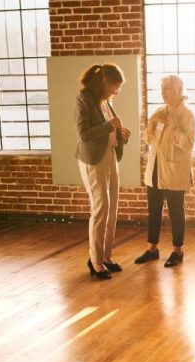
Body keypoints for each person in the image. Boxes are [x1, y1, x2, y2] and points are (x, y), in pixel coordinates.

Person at [74, 63, 130, 280]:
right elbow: (84, 134)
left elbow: (111, 128)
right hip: (93, 160)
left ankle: (106, 256)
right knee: (101, 209)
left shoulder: (107, 101)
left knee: (112, 208)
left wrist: (121, 134)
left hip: (111, 156)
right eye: (115, 85)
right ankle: (95, 261)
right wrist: (110, 127)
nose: (117, 90)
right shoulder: (84, 99)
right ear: (104, 81)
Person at [135, 75, 195, 268]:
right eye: (162, 89)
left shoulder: (187, 115)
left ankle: (178, 251)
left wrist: (176, 125)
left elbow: (188, 144)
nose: (163, 93)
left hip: (174, 170)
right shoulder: (159, 112)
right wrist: (152, 124)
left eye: (167, 89)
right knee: (154, 210)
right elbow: (149, 140)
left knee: (176, 211)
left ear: (178, 91)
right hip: (155, 168)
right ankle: (152, 249)